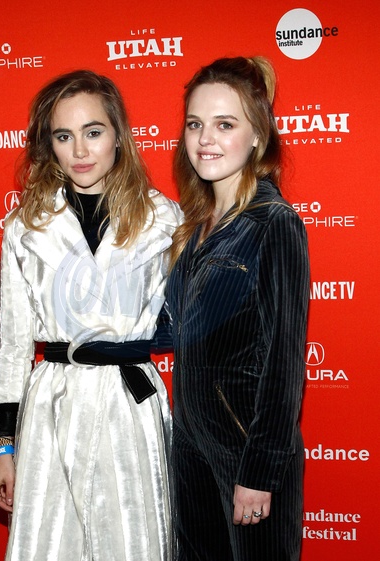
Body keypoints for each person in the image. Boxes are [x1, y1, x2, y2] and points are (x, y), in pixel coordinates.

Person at [0, 69, 182, 561]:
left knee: (133, 543)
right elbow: (12, 345)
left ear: (118, 135)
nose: (79, 150)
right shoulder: (25, 227)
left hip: (130, 402)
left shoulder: (164, 219)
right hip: (52, 405)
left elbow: (190, 326)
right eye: (63, 136)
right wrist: (3, 448)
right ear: (48, 145)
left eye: (93, 132)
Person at [166, 57, 310, 561]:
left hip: (247, 449)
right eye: (195, 124)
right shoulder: (195, 225)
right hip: (191, 444)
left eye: (225, 125)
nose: (205, 138)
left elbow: (285, 361)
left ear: (258, 137)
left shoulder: (273, 222)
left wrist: (260, 470)